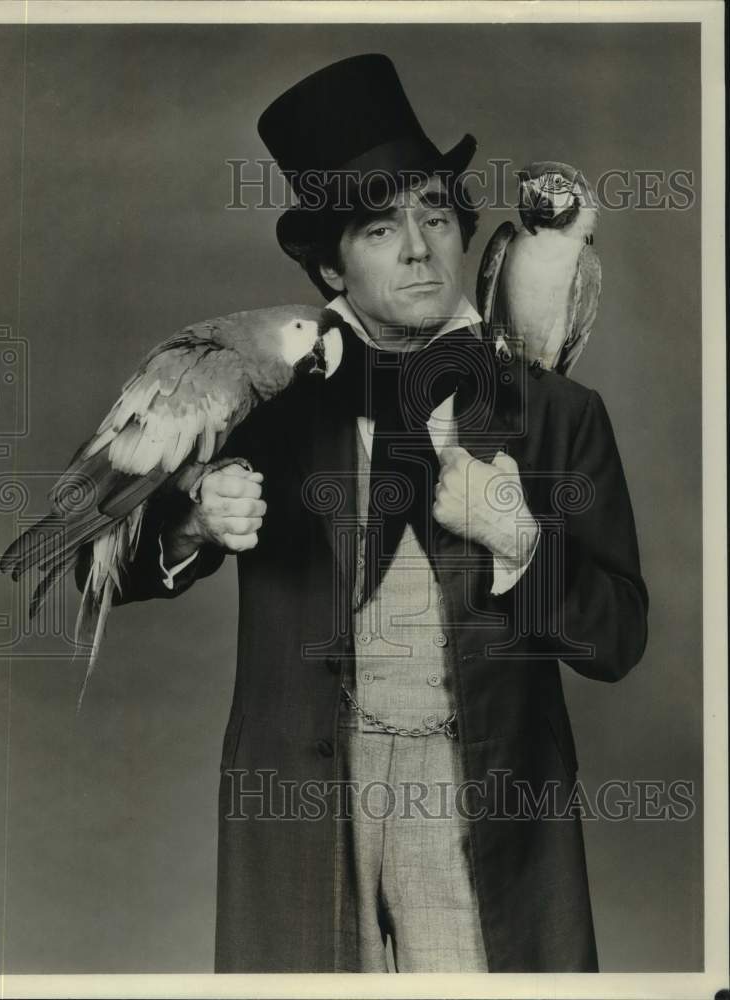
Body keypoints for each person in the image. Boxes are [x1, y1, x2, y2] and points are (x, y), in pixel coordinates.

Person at [77, 53, 648, 973]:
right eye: (381, 229)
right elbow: (111, 565)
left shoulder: (556, 413)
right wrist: (192, 522)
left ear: (467, 229)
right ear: (329, 266)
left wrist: (517, 534)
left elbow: (620, 638)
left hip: (485, 805)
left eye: (435, 216)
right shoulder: (264, 397)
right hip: (308, 797)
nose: (420, 248)